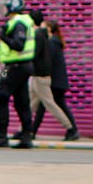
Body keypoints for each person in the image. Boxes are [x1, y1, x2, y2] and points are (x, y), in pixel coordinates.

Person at [0, 0, 36, 149]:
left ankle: (2, 136)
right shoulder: (23, 21)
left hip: (16, 66)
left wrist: (3, 36)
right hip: (23, 65)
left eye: (5, 5)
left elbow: (18, 45)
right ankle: (26, 136)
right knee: (21, 101)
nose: (2, 9)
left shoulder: (18, 23)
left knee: (0, 97)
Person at [26, 11, 75, 140]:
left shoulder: (43, 38)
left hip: (42, 76)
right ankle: (26, 130)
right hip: (41, 76)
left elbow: (38, 56)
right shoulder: (47, 38)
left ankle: (70, 128)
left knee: (49, 104)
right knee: (32, 104)